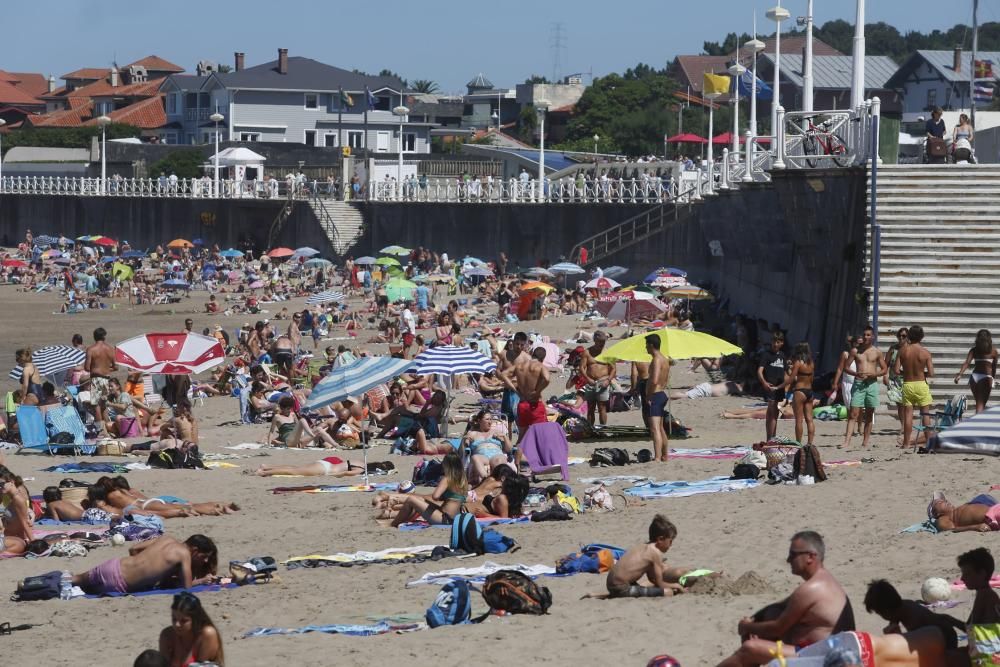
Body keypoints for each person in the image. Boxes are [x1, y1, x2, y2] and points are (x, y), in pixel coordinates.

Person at [716, 531, 855, 667]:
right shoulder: (822, 582)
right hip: (822, 651)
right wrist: (755, 619)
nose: (788, 560)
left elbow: (778, 628)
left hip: (822, 658)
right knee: (768, 620)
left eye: (793, 554)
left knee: (750, 649)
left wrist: (746, 626)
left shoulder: (812, 588)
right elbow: (780, 607)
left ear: (810, 557)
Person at [73, 535, 218, 595]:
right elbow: (187, 587)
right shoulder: (184, 554)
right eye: (204, 557)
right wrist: (202, 581)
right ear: (194, 550)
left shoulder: (166, 538)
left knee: (72, 580)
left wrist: (141, 569)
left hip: (113, 565)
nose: (205, 561)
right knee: (82, 591)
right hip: (118, 583)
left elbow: (133, 549)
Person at [863, 579, 962, 649]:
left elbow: (914, 644)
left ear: (886, 612)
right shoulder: (901, 607)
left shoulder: (914, 618)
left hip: (946, 639)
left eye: (879, 613)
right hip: (938, 633)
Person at [606, 514, 686, 598]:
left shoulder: (643, 547)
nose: (671, 545)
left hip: (612, 584)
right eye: (670, 541)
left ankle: (608, 595)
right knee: (668, 592)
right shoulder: (655, 553)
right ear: (660, 539)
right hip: (620, 588)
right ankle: (612, 595)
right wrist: (677, 586)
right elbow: (660, 583)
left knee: (654, 589)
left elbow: (652, 579)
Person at [841, 326, 887, 450]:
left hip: (871, 383)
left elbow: (884, 369)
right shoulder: (855, 351)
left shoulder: (877, 352)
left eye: (868, 335)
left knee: (869, 413)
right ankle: (847, 441)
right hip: (859, 383)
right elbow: (846, 367)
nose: (866, 337)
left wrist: (874, 374)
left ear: (872, 337)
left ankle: (865, 442)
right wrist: (856, 374)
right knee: (853, 413)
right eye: (864, 335)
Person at [390, 452, 466, 527]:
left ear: (447, 465)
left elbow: (435, 497)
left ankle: (393, 524)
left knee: (411, 499)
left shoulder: (447, 479)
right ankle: (403, 520)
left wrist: (440, 494)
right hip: (455, 518)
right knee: (419, 500)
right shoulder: (462, 480)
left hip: (445, 518)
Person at [894, 325, 935, 450]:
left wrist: (905, 373)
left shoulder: (903, 351)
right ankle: (928, 442)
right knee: (925, 414)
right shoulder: (925, 352)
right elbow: (932, 373)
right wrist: (923, 374)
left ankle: (906, 443)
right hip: (921, 383)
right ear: (922, 337)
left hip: (908, 384)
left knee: (908, 415)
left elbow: (896, 370)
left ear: (910, 336)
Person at [159, 591, 224, 667]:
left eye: (183, 621)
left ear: (195, 619)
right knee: (148, 658)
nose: (177, 625)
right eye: (174, 619)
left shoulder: (206, 634)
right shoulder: (167, 635)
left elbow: (201, 666)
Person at [960, 547, 1000, 666]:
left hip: (989, 659)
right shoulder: (988, 594)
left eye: (967, 574)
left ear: (982, 574)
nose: (962, 578)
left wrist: (947, 619)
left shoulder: (985, 595)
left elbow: (972, 629)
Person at [462, 410, 513, 485]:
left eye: (491, 419)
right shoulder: (472, 433)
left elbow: (509, 449)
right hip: (481, 456)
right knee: (475, 457)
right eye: (487, 419)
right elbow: (464, 448)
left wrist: (504, 437)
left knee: (499, 460)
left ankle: (499, 482)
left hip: (496, 454)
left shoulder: (496, 432)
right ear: (479, 421)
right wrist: (465, 440)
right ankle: (486, 479)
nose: (490, 422)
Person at [955, 329, 998, 414]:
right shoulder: (993, 351)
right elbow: (994, 367)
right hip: (986, 378)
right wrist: (993, 379)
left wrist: (960, 375)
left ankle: (978, 422)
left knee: (979, 402)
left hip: (974, 378)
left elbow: (967, 363)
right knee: (981, 404)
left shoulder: (974, 350)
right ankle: (977, 424)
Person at [84, 327, 117, 436]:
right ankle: (108, 427)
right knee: (104, 405)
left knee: (96, 405)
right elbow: (115, 367)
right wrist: (106, 368)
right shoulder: (110, 349)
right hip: (106, 379)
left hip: (96, 378)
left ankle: (101, 430)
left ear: (94, 337)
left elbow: (87, 368)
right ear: (104, 336)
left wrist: (96, 367)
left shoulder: (91, 349)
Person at [580, 331, 614, 425]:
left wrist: (608, 380)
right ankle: (591, 430)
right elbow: (582, 368)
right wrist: (587, 378)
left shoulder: (607, 353)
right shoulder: (587, 352)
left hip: (603, 382)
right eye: (600, 341)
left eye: (603, 341)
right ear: (595, 340)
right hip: (590, 382)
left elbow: (613, 369)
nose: (602, 343)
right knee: (590, 407)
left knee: (602, 408)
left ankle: (602, 429)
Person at [757, 332, 787, 440]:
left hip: (779, 388)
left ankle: (772, 436)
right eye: (774, 341)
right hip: (769, 387)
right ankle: (770, 438)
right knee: (772, 410)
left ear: (782, 343)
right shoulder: (766, 355)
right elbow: (760, 371)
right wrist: (764, 382)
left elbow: (786, 372)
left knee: (773, 413)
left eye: (778, 342)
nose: (775, 344)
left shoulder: (782, 356)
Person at [785, 342, 817, 446]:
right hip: (809, 391)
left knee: (799, 420)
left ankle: (798, 443)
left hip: (800, 391)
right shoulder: (811, 363)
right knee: (809, 419)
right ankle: (810, 443)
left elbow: (791, 379)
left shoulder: (798, 363)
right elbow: (812, 379)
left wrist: (789, 369)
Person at [645, 334, 671, 462]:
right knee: (660, 428)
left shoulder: (656, 359)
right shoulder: (664, 359)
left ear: (651, 345)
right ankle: (665, 455)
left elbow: (654, 380)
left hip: (655, 395)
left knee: (655, 429)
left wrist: (649, 395)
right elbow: (665, 379)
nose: (645, 348)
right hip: (661, 394)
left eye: (646, 345)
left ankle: (657, 457)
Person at [884, 327, 908, 441]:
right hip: (895, 379)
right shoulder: (893, 348)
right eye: (900, 336)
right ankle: (903, 425)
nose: (901, 338)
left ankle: (907, 425)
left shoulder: (910, 348)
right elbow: (886, 363)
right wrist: (885, 375)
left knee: (907, 404)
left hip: (907, 378)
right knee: (899, 404)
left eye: (904, 336)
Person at [251, 456, 374, 477]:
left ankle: (267, 467)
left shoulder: (360, 461)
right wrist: (332, 476)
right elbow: (345, 473)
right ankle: (264, 472)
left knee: (295, 468)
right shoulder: (361, 470)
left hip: (325, 463)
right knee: (295, 472)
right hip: (325, 469)